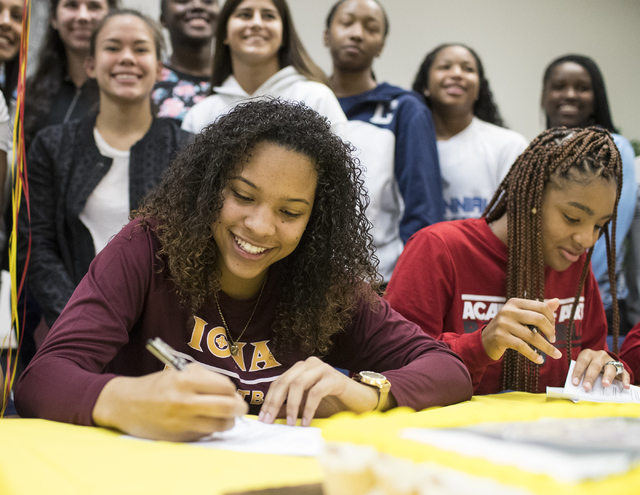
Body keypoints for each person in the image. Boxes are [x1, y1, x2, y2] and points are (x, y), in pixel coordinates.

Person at [14, 99, 473, 441]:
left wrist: (367, 392)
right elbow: (42, 379)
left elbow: (448, 369)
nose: (260, 226)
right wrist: (123, 400)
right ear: (210, 186)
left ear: (314, 221)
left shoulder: (325, 282)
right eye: (243, 196)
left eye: (290, 212)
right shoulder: (148, 246)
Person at [385, 127, 632, 394]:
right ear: (529, 196)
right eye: (572, 218)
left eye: (600, 226)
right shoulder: (438, 249)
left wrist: (608, 368)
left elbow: (596, 359)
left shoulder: (576, 265)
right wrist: (481, 345)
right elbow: (384, 368)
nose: (586, 239)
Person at [18, 9, 193, 333]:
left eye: (140, 49)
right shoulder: (52, 145)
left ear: (158, 68)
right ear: (91, 65)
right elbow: (35, 244)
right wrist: (81, 320)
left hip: (164, 336)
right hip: (70, 328)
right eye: (113, 48)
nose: (127, 58)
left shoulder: (188, 151)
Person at [324, 0, 443, 282]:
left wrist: (408, 284)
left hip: (379, 284)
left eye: (371, 27)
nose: (357, 33)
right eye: (346, 22)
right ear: (326, 35)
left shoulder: (404, 108)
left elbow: (422, 208)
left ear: (381, 46)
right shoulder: (304, 100)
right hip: (302, 285)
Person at [541, 54, 637, 336]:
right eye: (559, 86)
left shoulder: (614, 149)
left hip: (595, 299)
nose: (569, 94)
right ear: (545, 94)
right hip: (547, 297)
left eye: (582, 87)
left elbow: (607, 232)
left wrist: (567, 281)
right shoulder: (540, 148)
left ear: (597, 96)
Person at [181, 0, 347, 137]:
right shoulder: (199, 116)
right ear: (224, 34)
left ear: (283, 35)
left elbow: (344, 174)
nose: (256, 23)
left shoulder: (317, 99)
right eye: (245, 14)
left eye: (268, 16)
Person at [412, 44, 527, 221]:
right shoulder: (406, 145)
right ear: (425, 86)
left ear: (479, 88)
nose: (457, 74)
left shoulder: (509, 145)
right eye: (445, 67)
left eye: (468, 69)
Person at [24, 0, 118, 150]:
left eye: (94, 6)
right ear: (53, 18)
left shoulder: (127, 90)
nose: (83, 16)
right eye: (71, 5)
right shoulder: (30, 90)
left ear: (112, 17)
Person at [151, 0, 218, 122]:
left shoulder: (238, 80)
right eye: (183, 0)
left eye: (208, 1)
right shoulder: (148, 81)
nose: (198, 6)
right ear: (163, 19)